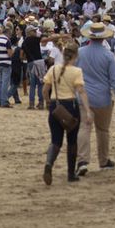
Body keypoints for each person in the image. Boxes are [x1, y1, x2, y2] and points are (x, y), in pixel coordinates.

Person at [76, 20, 115, 175]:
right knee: (103, 130)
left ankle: (82, 160)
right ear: (104, 38)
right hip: (103, 97)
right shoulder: (108, 55)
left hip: (84, 96)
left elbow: (73, 73)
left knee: (84, 128)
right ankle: (103, 161)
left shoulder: (80, 52)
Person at [41, 40, 87, 185]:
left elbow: (44, 90)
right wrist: (88, 110)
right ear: (75, 55)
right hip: (70, 105)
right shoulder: (76, 71)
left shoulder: (53, 69)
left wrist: (49, 102)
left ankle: (49, 163)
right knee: (72, 141)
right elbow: (81, 92)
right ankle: (70, 173)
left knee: (55, 140)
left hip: (56, 105)